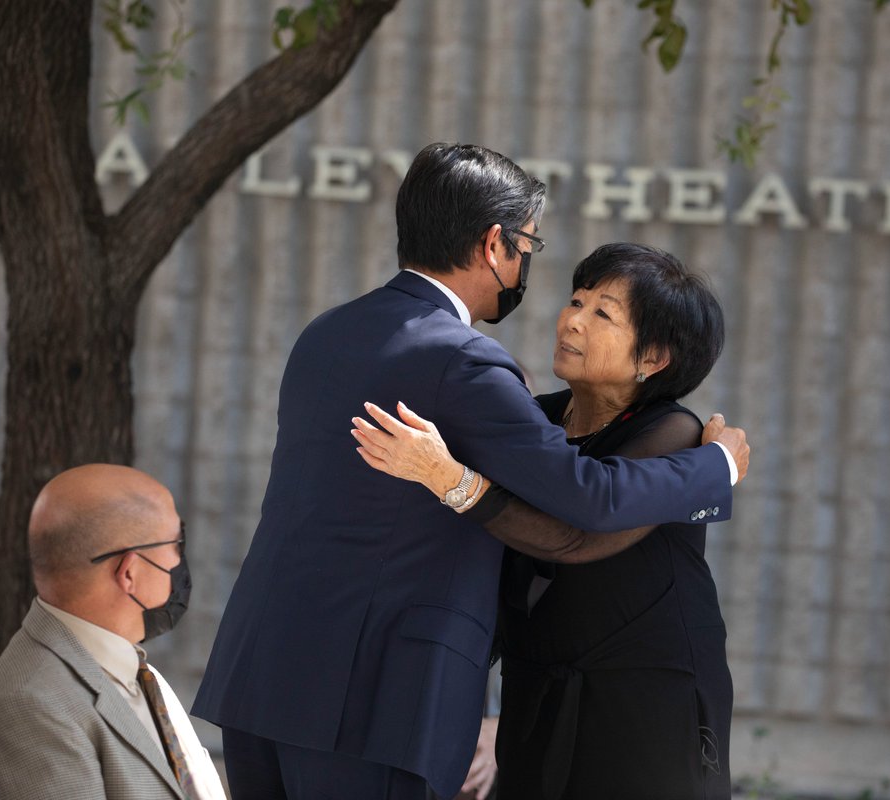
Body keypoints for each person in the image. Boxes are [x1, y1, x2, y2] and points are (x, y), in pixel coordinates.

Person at [192, 143, 748, 800]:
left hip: (270, 675)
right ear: (495, 245)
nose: (569, 316)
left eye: (602, 312)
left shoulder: (329, 332)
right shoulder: (467, 363)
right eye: (532, 252)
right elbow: (585, 502)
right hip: (375, 698)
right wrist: (717, 469)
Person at [352, 243, 743, 800]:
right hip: (537, 682)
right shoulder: (534, 415)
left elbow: (580, 536)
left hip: (646, 693)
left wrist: (450, 479)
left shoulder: (673, 435)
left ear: (652, 359)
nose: (573, 321)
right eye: (576, 301)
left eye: (602, 313)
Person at [0, 464, 225, 800]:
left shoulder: (136, 673)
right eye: (177, 543)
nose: (181, 562)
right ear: (128, 572)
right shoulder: (31, 711)